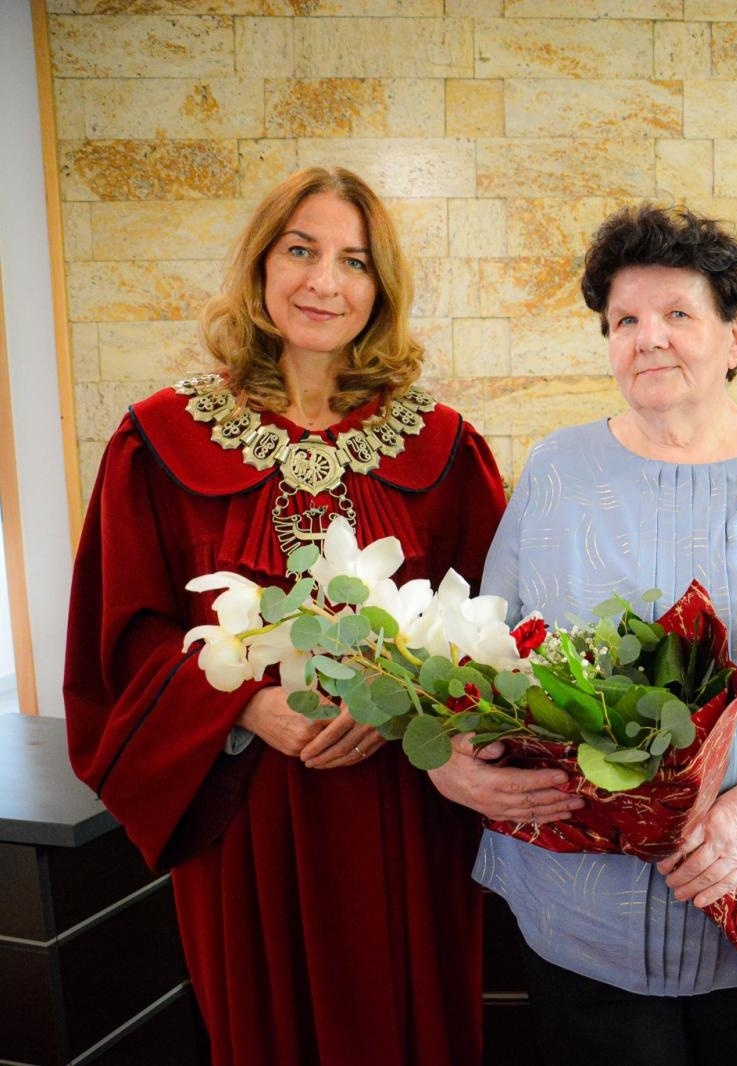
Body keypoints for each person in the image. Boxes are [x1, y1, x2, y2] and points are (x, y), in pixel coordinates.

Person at [426, 203, 737, 1066]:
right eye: (624, 320)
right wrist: (455, 762)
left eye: (678, 314)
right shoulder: (558, 468)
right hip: (580, 904)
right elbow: (483, 648)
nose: (648, 337)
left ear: (736, 336)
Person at [63, 167, 506, 1065]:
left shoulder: (443, 446)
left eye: (353, 261)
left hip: (402, 811)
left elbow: (493, 623)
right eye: (300, 251)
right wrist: (238, 704)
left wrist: (404, 707)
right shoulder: (158, 439)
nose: (323, 282)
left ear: (380, 287)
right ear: (262, 265)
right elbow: (120, 632)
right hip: (243, 811)